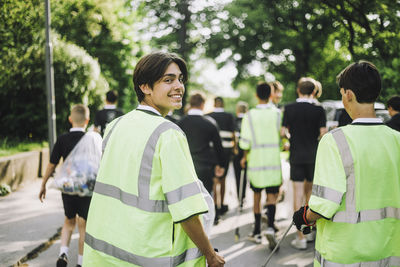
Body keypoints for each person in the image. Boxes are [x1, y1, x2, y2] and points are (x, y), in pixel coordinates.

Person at [83, 52, 225, 267]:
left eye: (180, 79)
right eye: (168, 80)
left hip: (105, 256)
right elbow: (186, 210)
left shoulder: (115, 126)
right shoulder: (168, 134)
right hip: (149, 255)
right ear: (145, 87)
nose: (178, 86)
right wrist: (210, 255)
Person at [293, 60, 400, 266]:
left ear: (348, 94)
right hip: (389, 252)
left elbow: (325, 204)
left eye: (342, 93)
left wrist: (304, 217)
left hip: (344, 254)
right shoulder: (396, 140)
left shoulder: (335, 141)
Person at [39, 104, 92, 267]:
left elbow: (52, 164)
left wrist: (43, 184)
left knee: (69, 221)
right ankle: (81, 263)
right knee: (83, 225)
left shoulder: (62, 139)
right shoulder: (91, 139)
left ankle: (63, 253)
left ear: (70, 119)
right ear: (87, 121)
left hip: (68, 187)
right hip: (85, 187)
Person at [281, 78, 327, 250]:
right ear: (314, 91)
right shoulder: (319, 109)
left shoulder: (290, 108)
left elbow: (283, 132)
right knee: (310, 194)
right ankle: (309, 228)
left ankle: (300, 236)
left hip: (296, 155)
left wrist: (291, 139)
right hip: (313, 156)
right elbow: (323, 133)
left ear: (298, 90)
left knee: (297, 194)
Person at [239, 82, 282, 250]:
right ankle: (270, 226)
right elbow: (281, 136)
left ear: (256, 95)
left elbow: (245, 142)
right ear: (271, 94)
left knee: (256, 197)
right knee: (272, 197)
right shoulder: (277, 114)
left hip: (256, 162)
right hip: (273, 162)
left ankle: (256, 231)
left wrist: (244, 157)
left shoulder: (249, 115)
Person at [177, 92, 225, 194]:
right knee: (205, 198)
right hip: (205, 168)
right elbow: (218, 147)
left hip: (185, 167)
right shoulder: (210, 123)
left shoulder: (179, 123)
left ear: (190, 104)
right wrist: (221, 165)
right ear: (203, 104)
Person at [207, 97, 236, 217]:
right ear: (223, 104)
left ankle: (214, 206)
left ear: (214, 104)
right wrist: (235, 148)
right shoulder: (229, 116)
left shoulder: (208, 116)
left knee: (214, 179)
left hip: (212, 151)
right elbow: (234, 133)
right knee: (223, 178)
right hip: (226, 150)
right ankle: (222, 204)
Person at [232, 101, 248, 208]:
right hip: (246, 151)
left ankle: (239, 197)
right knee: (245, 175)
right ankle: (243, 197)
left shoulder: (233, 120)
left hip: (236, 151)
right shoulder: (248, 120)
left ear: (237, 110)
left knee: (237, 175)